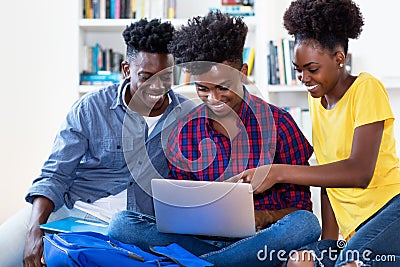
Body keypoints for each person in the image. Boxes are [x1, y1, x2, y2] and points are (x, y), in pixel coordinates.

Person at [108, 11, 321, 267]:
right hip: (202, 242)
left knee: (306, 225)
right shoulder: (184, 130)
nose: (213, 99)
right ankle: (222, 262)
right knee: (122, 225)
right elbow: (177, 207)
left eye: (223, 87)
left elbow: (301, 210)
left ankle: (204, 263)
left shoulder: (280, 124)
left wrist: (264, 216)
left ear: (242, 73)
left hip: (263, 238)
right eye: (202, 89)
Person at [0, 18, 194, 267]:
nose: (156, 88)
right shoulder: (91, 108)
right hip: (73, 211)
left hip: (133, 227)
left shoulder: (188, 116)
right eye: (146, 77)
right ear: (126, 70)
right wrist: (34, 230)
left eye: (165, 78)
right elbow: (54, 175)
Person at [235, 1, 400, 266]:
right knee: (300, 261)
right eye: (298, 70)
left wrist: (276, 172)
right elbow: (328, 178)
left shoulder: (367, 88)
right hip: (353, 230)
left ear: (339, 58)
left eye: (312, 69)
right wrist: (327, 243)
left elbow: (358, 172)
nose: (303, 78)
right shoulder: (317, 99)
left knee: (349, 263)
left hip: (390, 210)